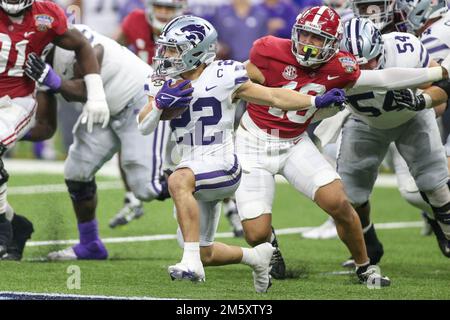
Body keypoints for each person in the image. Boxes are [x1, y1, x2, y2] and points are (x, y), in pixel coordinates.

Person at [234, 5, 449, 281]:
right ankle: (271, 243)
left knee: (339, 202)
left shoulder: (341, 66)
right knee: (256, 233)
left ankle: (365, 266)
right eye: (305, 36)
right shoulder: (268, 50)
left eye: (317, 39)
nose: (309, 45)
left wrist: (438, 74)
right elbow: (249, 84)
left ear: (334, 45)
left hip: (295, 141)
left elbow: (383, 77)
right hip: (254, 143)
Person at [137, 15, 348, 292]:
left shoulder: (224, 74)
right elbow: (143, 125)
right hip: (192, 166)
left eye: (175, 49)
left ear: (197, 52)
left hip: (222, 165)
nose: (166, 55)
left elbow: (273, 96)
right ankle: (257, 258)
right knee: (205, 251)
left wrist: (313, 100)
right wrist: (158, 106)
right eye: (166, 48)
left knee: (178, 181)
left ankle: (189, 263)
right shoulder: (162, 81)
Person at [24, 24, 170, 260]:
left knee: (146, 188)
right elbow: (45, 127)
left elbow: (88, 91)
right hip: (104, 112)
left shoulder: (80, 42)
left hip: (138, 101)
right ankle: (90, 244)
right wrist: (12, 134)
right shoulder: (37, 63)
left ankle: (198, 185)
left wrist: (54, 80)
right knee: (76, 171)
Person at [0, 0, 109, 260]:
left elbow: (82, 45)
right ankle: (15, 224)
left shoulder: (46, 14)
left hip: (16, 100)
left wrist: (95, 94)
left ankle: (3, 230)